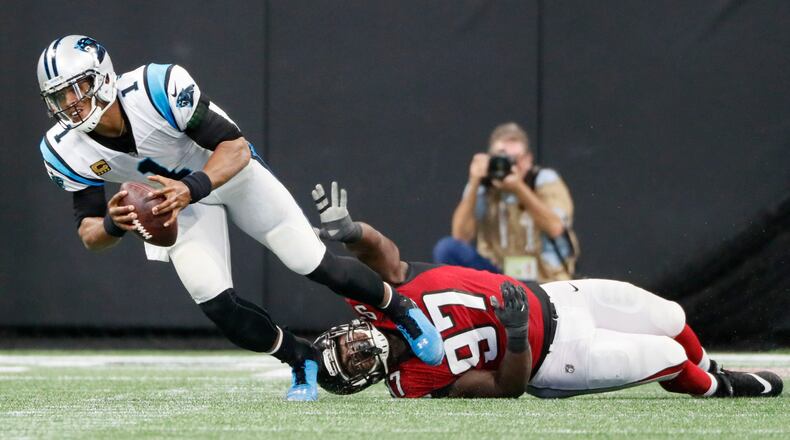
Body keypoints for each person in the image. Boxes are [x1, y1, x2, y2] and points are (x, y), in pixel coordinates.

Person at [35, 35, 444, 401]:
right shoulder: (63, 149)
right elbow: (89, 233)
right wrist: (113, 223)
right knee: (214, 301)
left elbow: (236, 148)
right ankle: (300, 359)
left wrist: (191, 187)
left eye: (79, 87)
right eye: (59, 96)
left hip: (224, 175)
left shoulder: (155, 87)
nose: (71, 103)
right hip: (175, 204)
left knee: (310, 261)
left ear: (103, 77)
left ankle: (401, 309)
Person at [311, 182, 783, 399]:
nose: (355, 347)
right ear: (364, 378)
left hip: (560, 296)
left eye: (344, 342)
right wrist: (515, 335)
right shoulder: (411, 383)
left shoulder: (380, 304)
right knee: (666, 355)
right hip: (553, 359)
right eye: (352, 361)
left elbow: (384, 255)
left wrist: (352, 231)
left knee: (672, 318)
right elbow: (504, 387)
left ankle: (711, 367)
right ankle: (716, 387)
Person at [434, 122, 578, 282]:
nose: (508, 165)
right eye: (501, 158)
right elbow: (460, 236)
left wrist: (519, 188)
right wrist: (474, 181)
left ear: (528, 159)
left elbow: (555, 227)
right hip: (499, 276)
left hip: (543, 278)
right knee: (447, 249)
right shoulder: (483, 187)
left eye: (515, 159)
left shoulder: (544, 180)